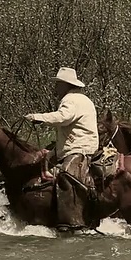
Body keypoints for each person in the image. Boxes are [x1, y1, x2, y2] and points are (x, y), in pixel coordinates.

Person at [24, 67, 99, 231]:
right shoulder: (80, 99)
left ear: (66, 85)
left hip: (79, 147)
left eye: (58, 84)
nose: (56, 87)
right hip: (71, 147)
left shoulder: (71, 100)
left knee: (66, 176)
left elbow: (63, 118)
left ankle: (71, 222)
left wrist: (38, 117)